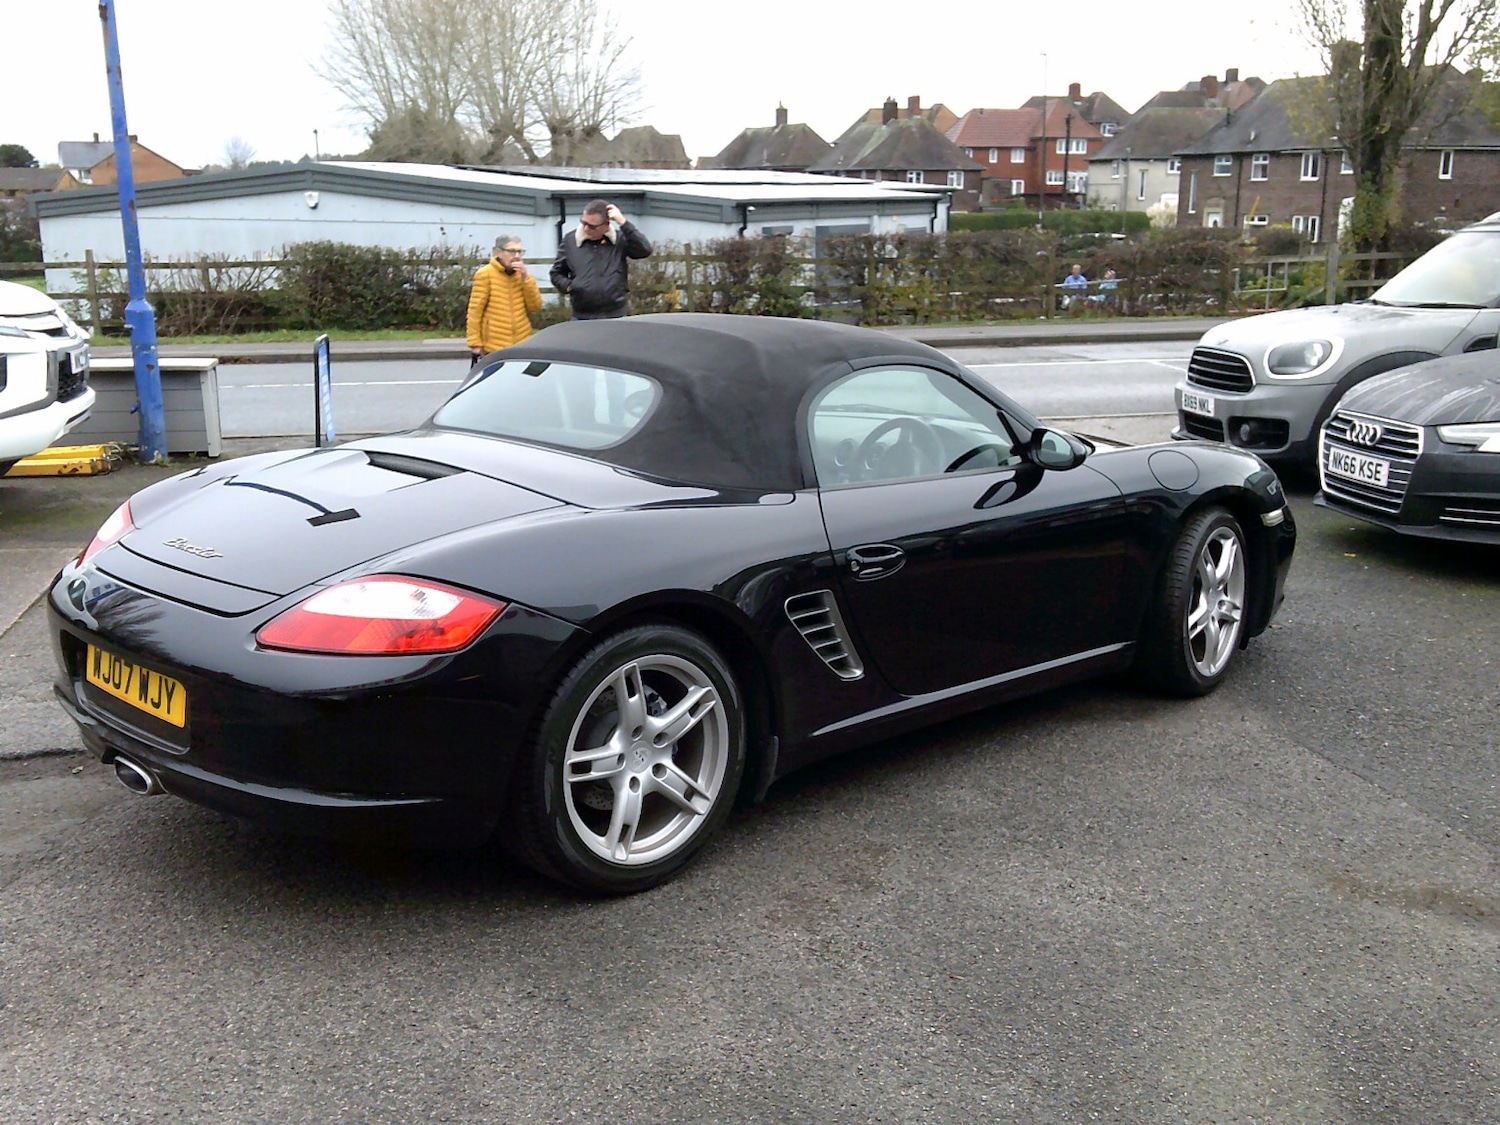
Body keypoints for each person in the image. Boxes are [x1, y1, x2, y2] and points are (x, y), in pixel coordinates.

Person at [550, 200, 653, 320]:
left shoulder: (619, 240)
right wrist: (570, 286)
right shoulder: (570, 240)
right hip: (582, 315)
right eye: (584, 222)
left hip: (616, 314)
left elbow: (645, 250)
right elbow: (556, 273)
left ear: (606, 225)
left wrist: (623, 223)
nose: (586, 228)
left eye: (592, 226)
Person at [466, 234, 542, 361]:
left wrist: (526, 279)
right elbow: (475, 311)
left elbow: (535, 306)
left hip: (522, 344)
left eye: (519, 251)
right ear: (499, 252)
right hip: (494, 347)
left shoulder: (523, 276)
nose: (517, 256)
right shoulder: (485, 274)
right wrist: (475, 344)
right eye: (512, 251)